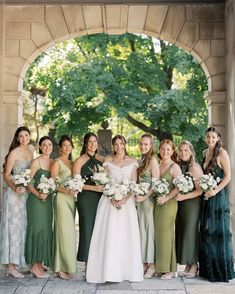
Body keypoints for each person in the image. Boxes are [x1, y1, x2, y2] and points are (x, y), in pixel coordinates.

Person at [86, 135, 143, 283]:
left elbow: (133, 183)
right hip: (109, 202)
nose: (119, 146)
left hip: (126, 203)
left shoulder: (133, 162)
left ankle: (126, 271)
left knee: (125, 236)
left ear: (125, 145)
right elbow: (104, 182)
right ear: (113, 146)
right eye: (116, 144)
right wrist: (111, 196)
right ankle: (108, 271)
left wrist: (124, 199)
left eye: (121, 143)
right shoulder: (108, 161)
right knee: (110, 235)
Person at [199, 127, 235, 282]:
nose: (210, 140)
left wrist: (215, 191)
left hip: (218, 196)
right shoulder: (204, 153)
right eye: (208, 137)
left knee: (218, 232)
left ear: (218, 138)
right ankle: (209, 269)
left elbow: (227, 177)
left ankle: (220, 271)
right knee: (207, 232)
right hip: (206, 196)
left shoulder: (222, 153)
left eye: (213, 137)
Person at [0, 126, 34, 278]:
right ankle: (10, 266)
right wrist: (14, 187)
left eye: (26, 135)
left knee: (22, 228)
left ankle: (20, 261)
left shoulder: (30, 151)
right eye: (21, 136)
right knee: (13, 229)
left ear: (29, 136)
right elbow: (6, 175)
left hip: (25, 196)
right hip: (14, 196)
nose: (24, 138)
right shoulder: (14, 153)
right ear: (17, 138)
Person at [73, 133, 104, 266]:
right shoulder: (79, 160)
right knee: (86, 228)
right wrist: (93, 188)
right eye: (90, 142)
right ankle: (87, 264)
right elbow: (76, 183)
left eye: (95, 141)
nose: (92, 144)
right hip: (85, 198)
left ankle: (98, 262)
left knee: (99, 228)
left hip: (100, 198)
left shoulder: (102, 160)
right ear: (85, 144)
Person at [25, 136, 54, 278]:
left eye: (50, 144)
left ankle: (40, 263)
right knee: (37, 230)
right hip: (36, 202)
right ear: (40, 147)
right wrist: (38, 194)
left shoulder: (53, 162)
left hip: (48, 203)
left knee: (46, 230)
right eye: (44, 145)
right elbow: (28, 183)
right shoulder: (36, 162)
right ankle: (35, 267)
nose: (47, 147)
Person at [154, 139, 181, 280]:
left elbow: (178, 187)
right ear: (159, 150)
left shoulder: (174, 167)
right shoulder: (157, 165)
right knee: (158, 236)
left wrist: (166, 198)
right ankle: (161, 267)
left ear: (172, 151)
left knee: (167, 234)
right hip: (157, 203)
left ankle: (171, 269)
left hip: (169, 204)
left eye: (168, 149)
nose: (165, 152)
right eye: (163, 149)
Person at [175, 141, 203, 278]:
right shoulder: (179, 166)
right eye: (181, 150)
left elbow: (200, 191)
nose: (183, 153)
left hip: (192, 204)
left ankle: (194, 264)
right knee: (182, 231)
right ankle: (187, 263)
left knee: (190, 232)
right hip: (180, 204)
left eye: (186, 150)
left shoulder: (195, 167)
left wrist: (183, 197)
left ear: (191, 151)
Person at [51, 135, 76, 280]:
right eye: (64, 145)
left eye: (69, 145)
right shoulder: (57, 162)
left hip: (72, 200)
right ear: (60, 148)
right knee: (62, 233)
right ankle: (59, 268)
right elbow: (54, 183)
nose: (67, 148)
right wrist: (67, 191)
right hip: (61, 199)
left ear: (72, 147)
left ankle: (67, 266)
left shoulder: (73, 163)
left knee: (69, 235)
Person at [135, 133, 160, 279]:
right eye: (141, 144)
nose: (143, 146)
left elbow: (155, 184)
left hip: (148, 202)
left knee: (149, 231)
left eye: (146, 144)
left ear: (151, 146)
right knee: (141, 232)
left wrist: (144, 196)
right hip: (139, 201)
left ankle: (152, 264)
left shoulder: (153, 161)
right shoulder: (141, 160)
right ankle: (144, 261)